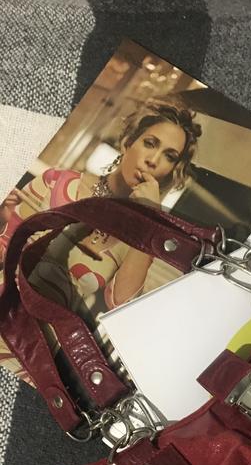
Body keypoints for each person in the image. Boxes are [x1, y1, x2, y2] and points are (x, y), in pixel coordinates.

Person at [0, 98, 201, 381]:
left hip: (36, 357)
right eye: (150, 143)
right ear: (128, 142)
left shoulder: (138, 239)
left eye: (169, 156)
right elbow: (4, 247)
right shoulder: (59, 182)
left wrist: (150, 219)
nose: (153, 160)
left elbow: (121, 305)